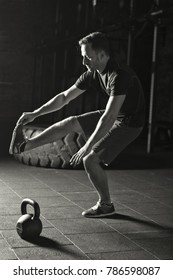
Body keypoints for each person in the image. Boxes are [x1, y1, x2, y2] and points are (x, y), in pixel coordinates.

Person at [9, 32, 145, 218]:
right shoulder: (93, 73)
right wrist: (36, 113)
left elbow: (109, 117)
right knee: (71, 122)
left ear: (102, 55)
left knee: (90, 160)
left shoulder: (120, 75)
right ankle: (25, 145)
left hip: (130, 123)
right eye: (82, 57)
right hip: (115, 116)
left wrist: (87, 147)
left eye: (87, 57)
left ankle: (106, 205)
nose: (84, 62)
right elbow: (64, 97)